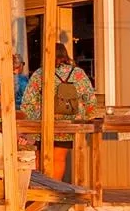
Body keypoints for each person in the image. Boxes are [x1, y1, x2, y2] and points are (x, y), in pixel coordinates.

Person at [19, 44, 99, 181]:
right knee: (59, 159)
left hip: (44, 123)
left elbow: (28, 101)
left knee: (40, 157)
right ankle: (55, 189)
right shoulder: (78, 73)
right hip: (69, 123)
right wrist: (87, 118)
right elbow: (89, 99)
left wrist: (31, 123)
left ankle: (41, 190)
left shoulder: (40, 73)